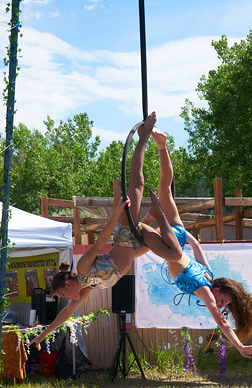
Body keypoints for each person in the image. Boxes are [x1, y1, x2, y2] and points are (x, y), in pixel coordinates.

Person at [29, 112, 157, 351]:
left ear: (68, 285)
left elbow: (101, 242)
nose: (68, 300)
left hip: (124, 237)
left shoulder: (83, 269)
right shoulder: (87, 287)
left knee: (136, 185)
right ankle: (150, 219)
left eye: (65, 295)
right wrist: (43, 334)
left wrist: (118, 212)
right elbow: (66, 314)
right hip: (133, 252)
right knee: (165, 244)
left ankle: (143, 136)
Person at [139, 127, 252, 359]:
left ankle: (162, 145)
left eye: (224, 304)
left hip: (179, 236)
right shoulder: (205, 290)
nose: (220, 304)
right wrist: (239, 346)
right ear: (217, 290)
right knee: (140, 237)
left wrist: (188, 235)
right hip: (172, 247)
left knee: (166, 188)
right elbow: (222, 322)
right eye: (223, 299)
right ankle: (150, 218)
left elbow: (197, 248)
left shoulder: (208, 273)